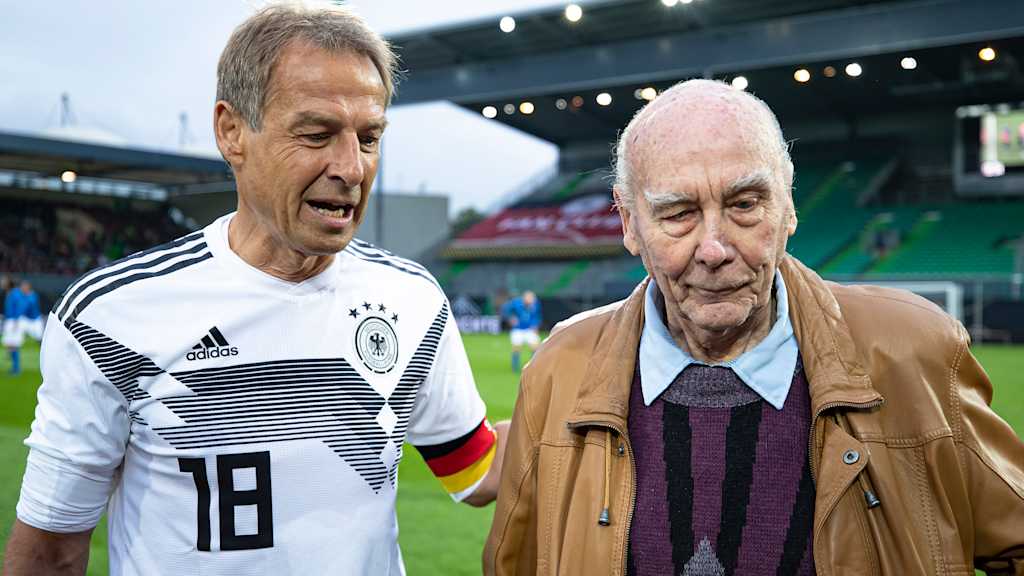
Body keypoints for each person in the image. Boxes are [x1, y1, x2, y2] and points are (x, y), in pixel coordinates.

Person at [4, 4, 508, 575]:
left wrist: (589, 387)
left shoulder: (412, 299)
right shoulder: (112, 318)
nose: (352, 167)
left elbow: (475, 471)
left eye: (369, 138)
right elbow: (48, 553)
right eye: (317, 134)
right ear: (232, 131)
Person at [485, 79, 1024, 575]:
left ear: (787, 206)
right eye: (678, 213)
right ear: (629, 224)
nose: (715, 249)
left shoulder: (916, 353)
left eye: (745, 204)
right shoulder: (559, 371)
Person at [501, 290, 542, 372]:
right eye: (529, 298)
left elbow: (537, 316)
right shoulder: (516, 303)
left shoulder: (535, 305)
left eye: (532, 299)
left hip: (529, 329)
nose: (531, 301)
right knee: (517, 348)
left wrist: (535, 325)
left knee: (536, 348)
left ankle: (533, 367)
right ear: (524, 298)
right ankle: (515, 368)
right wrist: (510, 318)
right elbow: (505, 309)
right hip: (518, 329)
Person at [2, 278, 30, 375]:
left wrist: (16, 320)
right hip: (11, 320)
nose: (2, 283)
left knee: (13, 345)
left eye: (4, 282)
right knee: (10, 344)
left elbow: (20, 306)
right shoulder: (11, 293)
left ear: (9, 283)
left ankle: (16, 368)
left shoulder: (15, 293)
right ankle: (15, 367)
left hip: (14, 321)